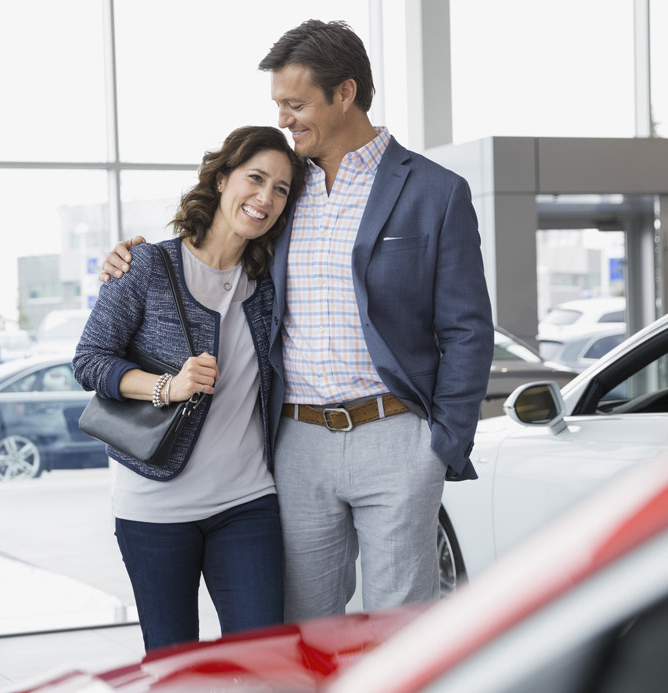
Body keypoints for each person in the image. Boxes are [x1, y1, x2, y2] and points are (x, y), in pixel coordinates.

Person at [100, 19, 494, 622]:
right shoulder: (283, 191)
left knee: (398, 631)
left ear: (345, 93)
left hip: (397, 437)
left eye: (296, 103)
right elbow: (215, 247)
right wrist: (132, 256)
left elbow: (468, 328)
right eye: (279, 105)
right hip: (295, 442)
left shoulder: (435, 192)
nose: (285, 118)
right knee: (304, 631)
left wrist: (440, 445)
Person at [73, 125, 305, 652]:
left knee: (264, 665)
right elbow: (88, 361)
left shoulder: (269, 282)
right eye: (256, 178)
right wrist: (166, 387)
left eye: (282, 189)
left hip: (247, 503)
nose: (266, 197)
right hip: (155, 510)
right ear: (222, 180)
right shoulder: (146, 266)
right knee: (173, 667)